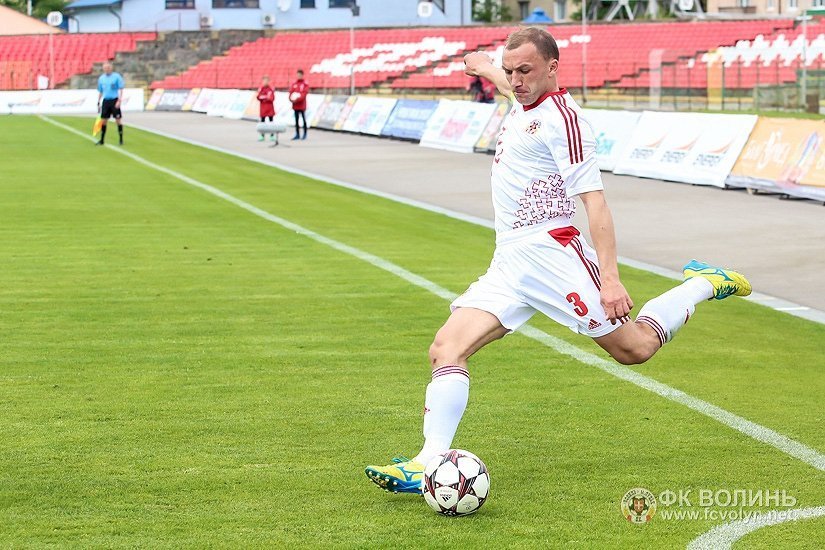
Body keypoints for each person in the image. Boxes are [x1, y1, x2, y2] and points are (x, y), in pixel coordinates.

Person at [364, 27, 751, 494]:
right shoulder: (522, 99)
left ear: (552, 67)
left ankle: (703, 283)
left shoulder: (565, 121)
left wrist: (610, 279)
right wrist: (486, 67)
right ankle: (426, 462)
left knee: (634, 349)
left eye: (525, 71)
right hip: (510, 260)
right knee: (446, 348)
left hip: (554, 254)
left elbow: (595, 203)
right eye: (511, 71)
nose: (516, 80)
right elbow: (508, 86)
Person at [96, 62, 125, 146]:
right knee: (103, 120)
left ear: (111, 68)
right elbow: (101, 91)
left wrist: (119, 100)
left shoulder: (116, 77)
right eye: (105, 68)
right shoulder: (101, 78)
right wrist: (98, 101)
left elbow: (121, 89)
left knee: (118, 120)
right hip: (106, 101)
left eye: (108, 67)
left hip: (114, 100)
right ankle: (102, 140)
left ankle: (121, 139)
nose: (107, 69)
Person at [289, 69, 310, 140]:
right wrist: (291, 99)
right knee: (296, 120)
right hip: (295, 105)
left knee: (304, 120)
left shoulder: (305, 84)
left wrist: (297, 99)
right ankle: (297, 134)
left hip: (302, 105)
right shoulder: (294, 84)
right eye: (298, 75)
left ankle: (305, 134)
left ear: (302, 75)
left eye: (300, 75)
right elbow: (291, 92)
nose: (299, 76)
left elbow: (304, 94)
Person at [257, 75, 276, 142]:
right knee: (263, 123)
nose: (265, 82)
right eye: (264, 81)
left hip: (270, 108)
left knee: (271, 122)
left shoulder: (271, 89)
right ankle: (262, 135)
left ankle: (272, 135)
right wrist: (265, 97)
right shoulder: (261, 89)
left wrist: (264, 97)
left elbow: (271, 98)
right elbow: (258, 97)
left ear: (268, 81)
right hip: (263, 109)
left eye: (267, 81)